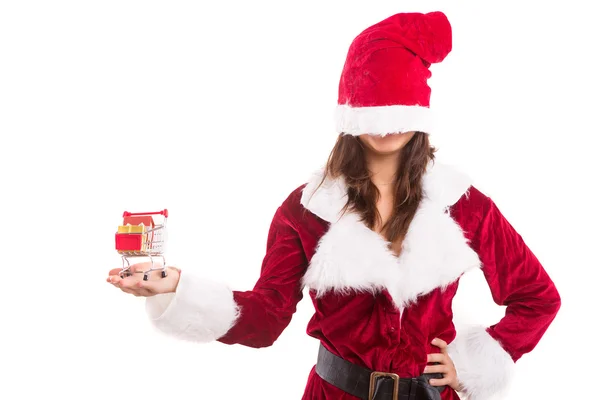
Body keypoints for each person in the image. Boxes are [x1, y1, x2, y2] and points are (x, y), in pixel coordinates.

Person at [107, 11, 561, 400]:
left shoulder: (463, 206)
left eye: (398, 107)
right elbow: (266, 317)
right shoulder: (307, 210)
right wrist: (176, 289)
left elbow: (538, 298)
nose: (386, 124)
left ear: (419, 111)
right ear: (351, 111)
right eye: (374, 109)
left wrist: (472, 362)